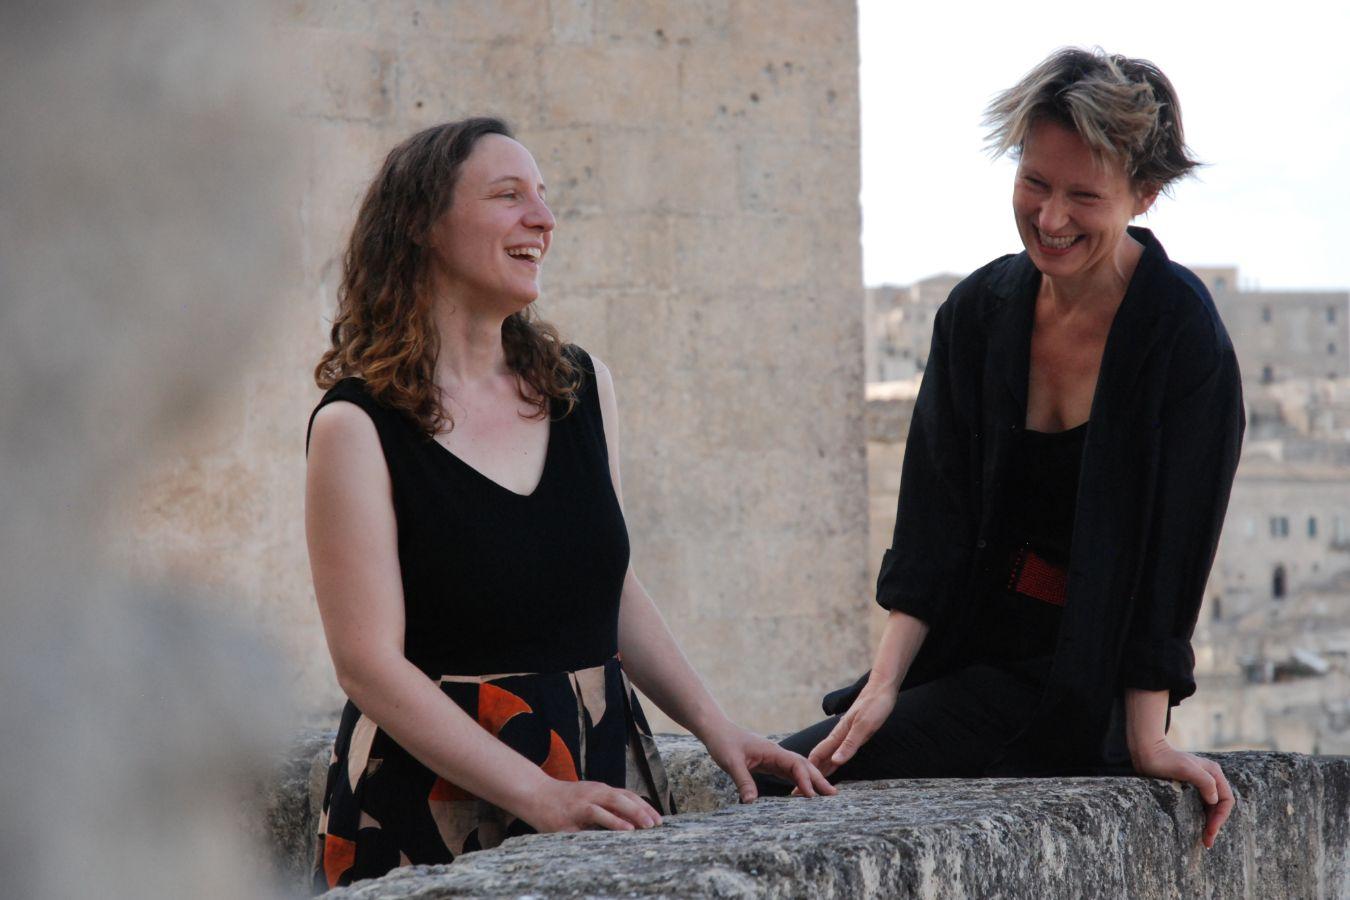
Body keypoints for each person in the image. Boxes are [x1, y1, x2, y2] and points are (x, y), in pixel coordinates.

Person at [305, 117, 833, 891]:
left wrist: (717, 728)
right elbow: (367, 665)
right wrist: (537, 794)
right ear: (420, 224)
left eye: (544, 196)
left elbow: (607, 587)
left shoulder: (580, 389)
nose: (544, 219)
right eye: (508, 195)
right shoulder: (356, 426)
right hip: (427, 799)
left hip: (594, 761)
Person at [764, 48, 1243, 850]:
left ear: (1145, 195)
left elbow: (1172, 557)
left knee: (782, 790)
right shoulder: (977, 311)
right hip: (959, 660)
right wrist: (882, 687)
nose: (1051, 219)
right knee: (778, 773)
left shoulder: (1183, 337)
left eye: (1083, 196)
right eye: (1034, 183)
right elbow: (932, 525)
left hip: (1075, 683)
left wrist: (1147, 738)